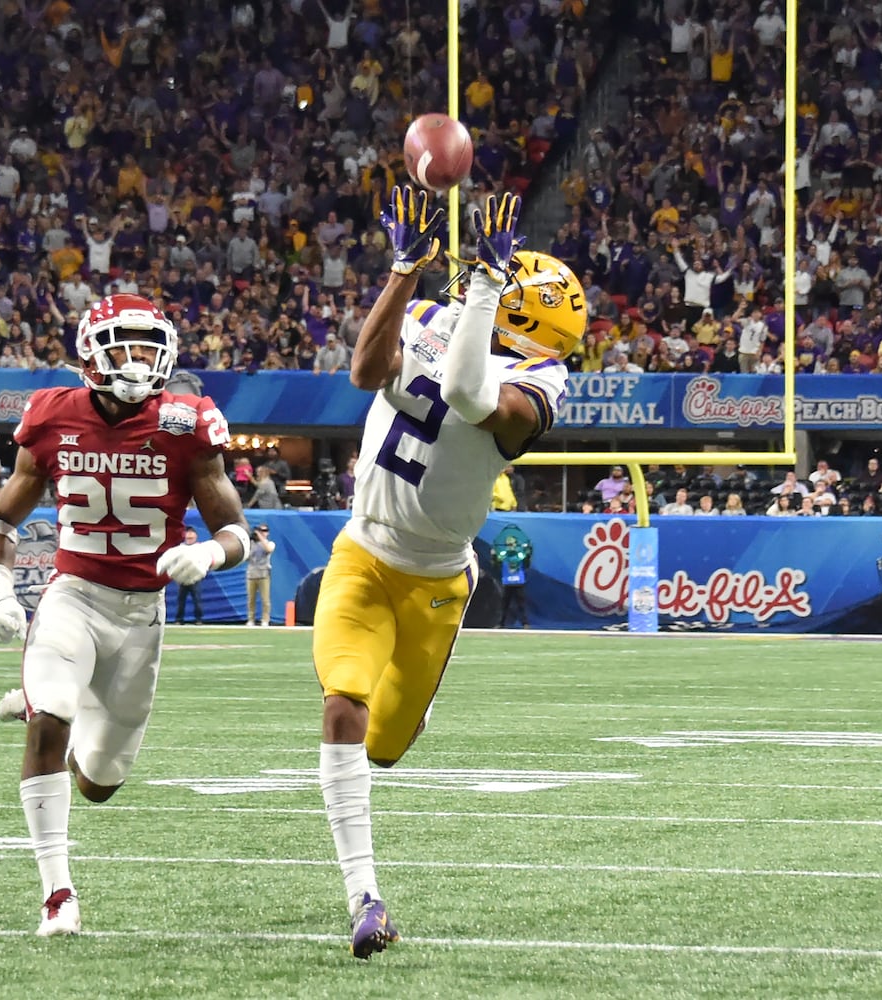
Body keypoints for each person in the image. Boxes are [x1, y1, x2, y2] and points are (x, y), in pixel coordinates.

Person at [311, 188, 579, 959]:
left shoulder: (545, 385)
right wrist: (402, 273)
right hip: (362, 553)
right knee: (341, 709)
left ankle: (409, 711)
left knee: (386, 747)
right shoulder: (434, 317)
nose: (472, 275)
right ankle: (364, 895)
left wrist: (487, 291)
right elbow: (365, 371)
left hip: (435, 580)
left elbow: (467, 391)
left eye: (494, 275)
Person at [0, 292, 249, 937]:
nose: (139, 360)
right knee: (51, 718)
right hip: (72, 594)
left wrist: (211, 553)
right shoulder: (50, 415)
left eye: (150, 347)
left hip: (141, 615)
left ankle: (52, 705)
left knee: (100, 782)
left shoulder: (187, 422)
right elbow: (1, 517)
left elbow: (239, 532)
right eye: (125, 346)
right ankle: (57, 895)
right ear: (92, 355)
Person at [493, 533, 532, 628]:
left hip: (519, 583)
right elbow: (496, 564)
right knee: (504, 605)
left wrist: (529, 551)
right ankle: (501, 624)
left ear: (516, 544)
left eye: (512, 544)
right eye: (508, 544)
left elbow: (527, 563)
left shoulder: (521, 555)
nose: (510, 546)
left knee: (521, 605)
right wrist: (493, 556)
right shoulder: (503, 555)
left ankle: (525, 624)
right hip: (507, 583)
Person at [244, 522, 276, 626]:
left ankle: (265, 619)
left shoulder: (270, 543)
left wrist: (260, 537)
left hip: (264, 574)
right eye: (260, 530)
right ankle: (251, 619)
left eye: (264, 531)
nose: (262, 533)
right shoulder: (252, 544)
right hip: (251, 574)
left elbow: (268, 549)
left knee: (265, 599)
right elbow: (246, 558)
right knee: (250, 599)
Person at [172, 526, 204, 624]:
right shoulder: (180, 547)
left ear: (196, 536)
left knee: (197, 599)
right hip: (183, 577)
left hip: (195, 577)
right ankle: (179, 619)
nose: (189, 536)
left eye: (191, 534)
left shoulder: (199, 547)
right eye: (188, 534)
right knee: (181, 600)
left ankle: (198, 619)